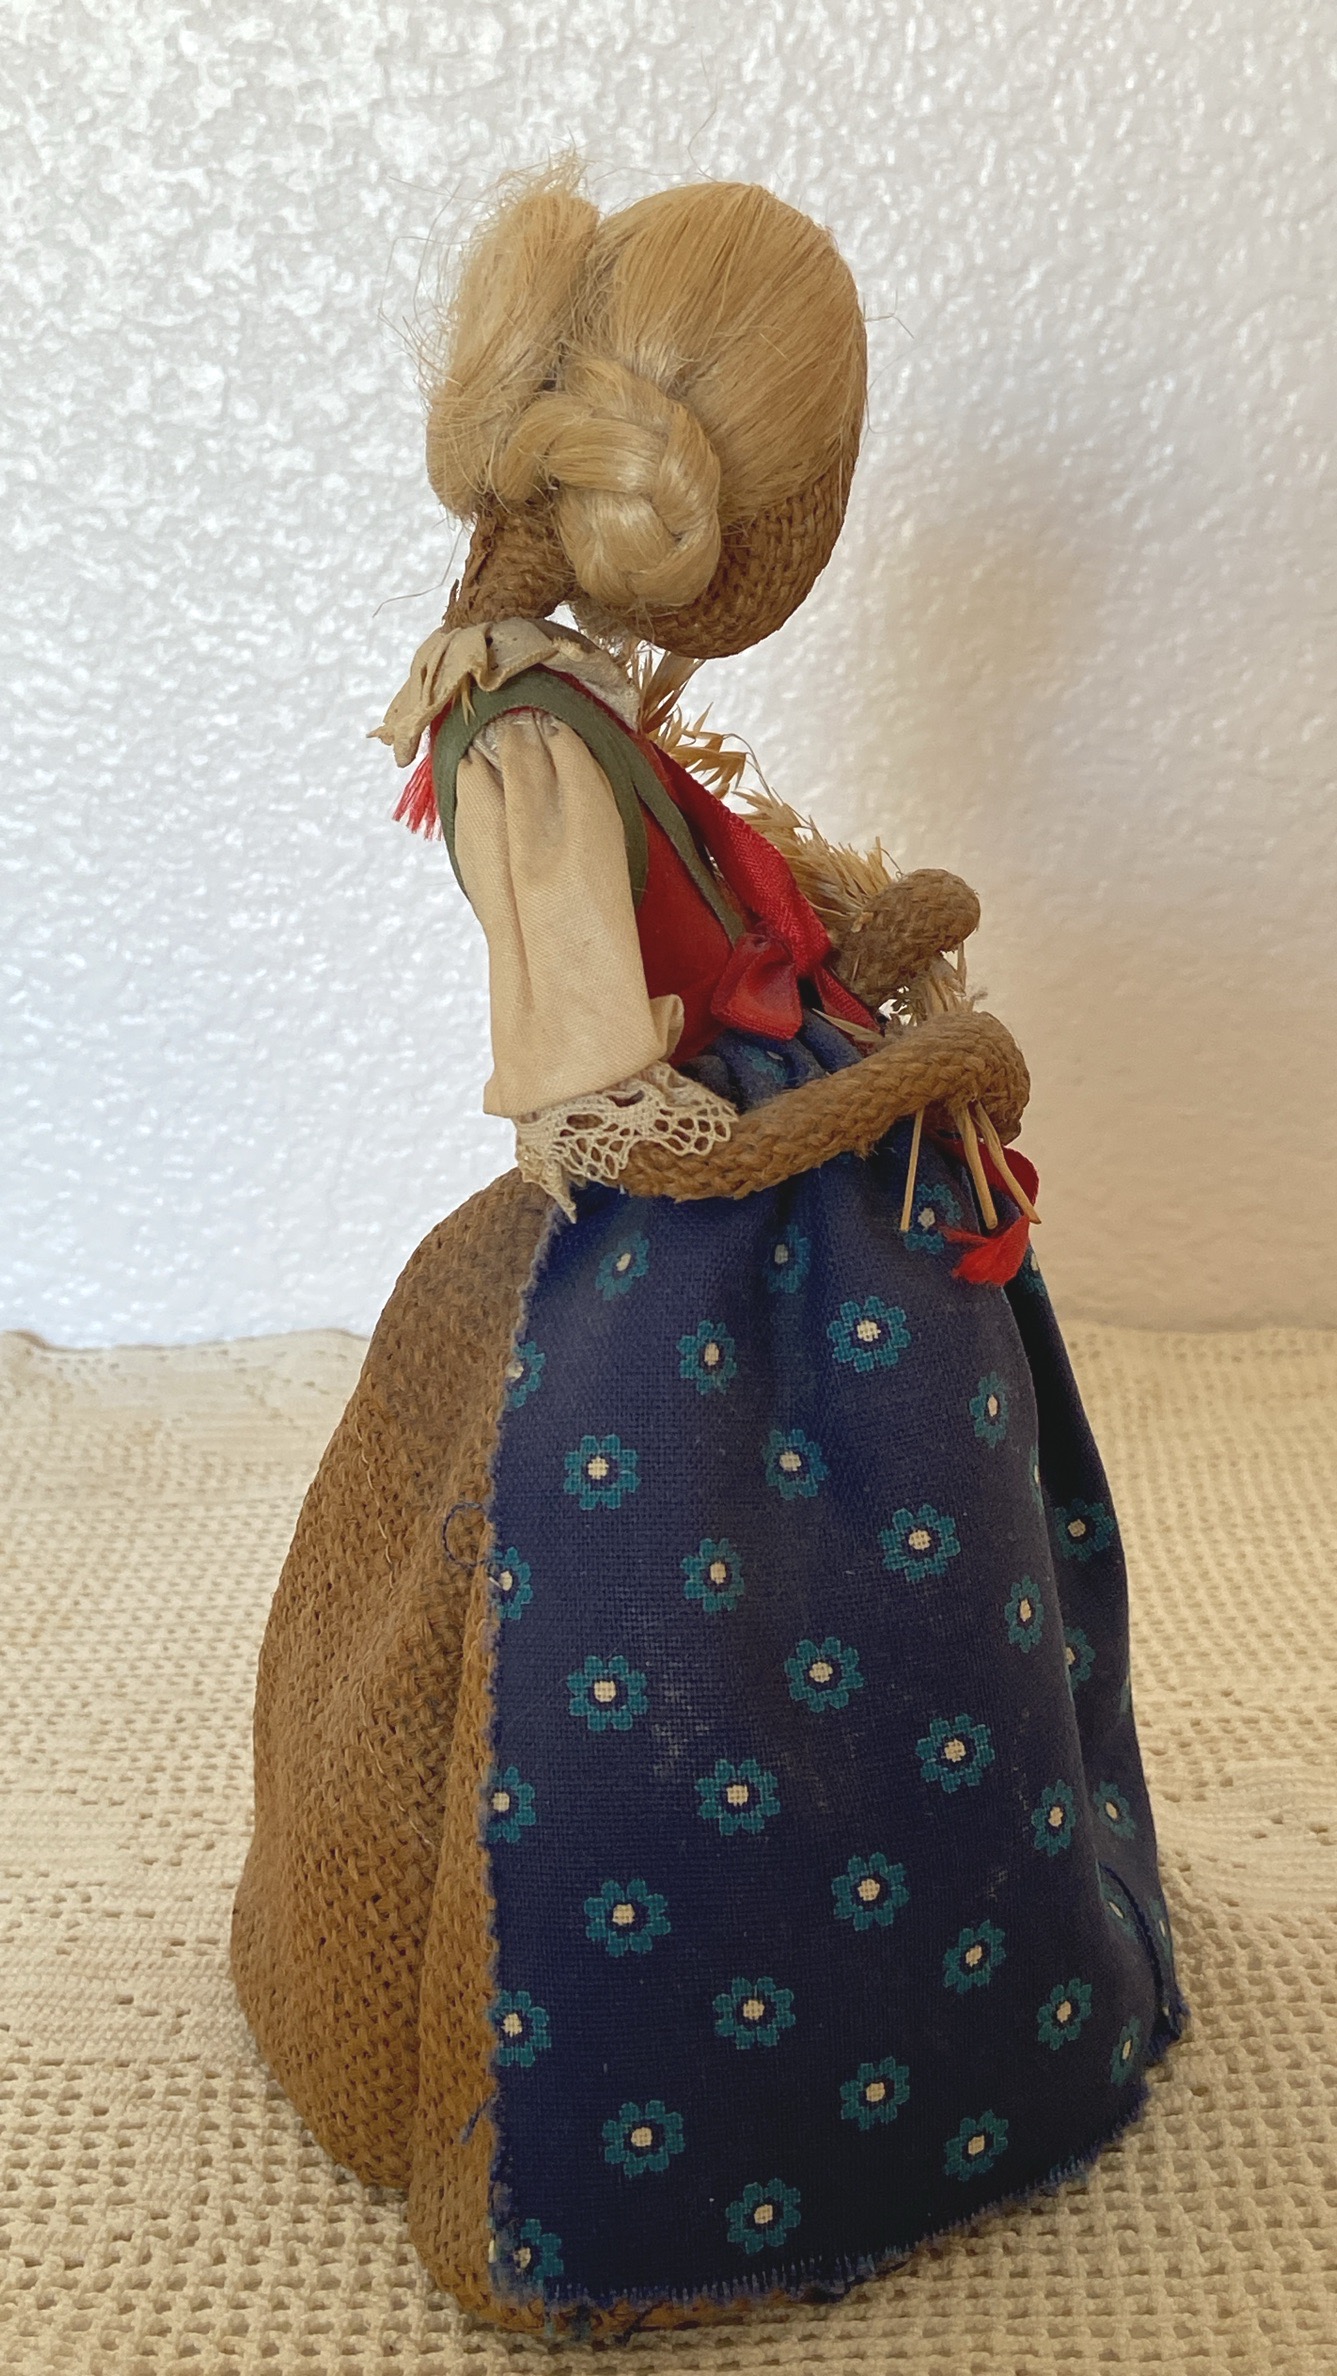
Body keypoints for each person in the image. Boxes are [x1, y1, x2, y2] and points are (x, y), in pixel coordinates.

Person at [232, 169, 1184, 2337]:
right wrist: (850, 1093)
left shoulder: (573, 698)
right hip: (692, 1225)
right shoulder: (523, 732)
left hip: (791, 1160)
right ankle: (632, 2135)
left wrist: (841, 959)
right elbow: (597, 1086)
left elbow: (702, 922)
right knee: (659, 1606)